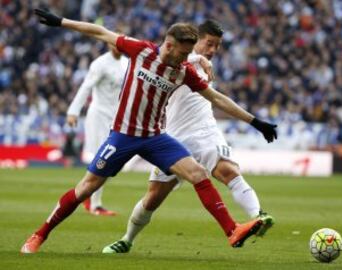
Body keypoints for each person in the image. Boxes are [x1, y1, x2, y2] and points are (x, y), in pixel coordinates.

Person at [21, 9, 277, 254]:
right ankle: (40, 234)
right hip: (123, 135)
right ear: (168, 45)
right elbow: (100, 32)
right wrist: (61, 22)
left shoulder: (183, 71)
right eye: (183, 53)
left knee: (198, 173)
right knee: (86, 189)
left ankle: (232, 230)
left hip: (155, 137)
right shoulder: (141, 50)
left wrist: (255, 122)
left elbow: (217, 98)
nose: (185, 59)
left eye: (189, 54)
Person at [102, 20, 273, 254]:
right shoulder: (177, 62)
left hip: (205, 133)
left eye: (217, 46)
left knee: (228, 171)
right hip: (171, 139)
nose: (212, 50)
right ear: (195, 41)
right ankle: (127, 239)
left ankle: (258, 217)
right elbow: (159, 56)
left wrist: (256, 122)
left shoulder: (201, 67)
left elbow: (218, 99)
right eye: (209, 44)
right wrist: (196, 58)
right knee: (153, 198)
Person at [66, 43, 129, 216]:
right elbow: (86, 86)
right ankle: (94, 203)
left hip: (116, 117)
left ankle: (89, 196)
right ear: (109, 43)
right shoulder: (100, 63)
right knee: (100, 157)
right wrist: (73, 111)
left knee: (111, 158)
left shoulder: (126, 63)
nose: (118, 46)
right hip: (99, 115)